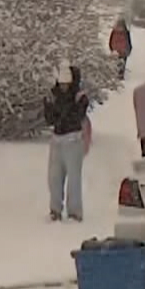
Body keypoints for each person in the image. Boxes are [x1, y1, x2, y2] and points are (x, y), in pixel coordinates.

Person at [42, 62, 91, 222]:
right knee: (54, 178)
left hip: (73, 139)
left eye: (66, 83)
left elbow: (76, 116)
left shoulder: (79, 97)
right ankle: (55, 210)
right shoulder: (53, 96)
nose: (63, 87)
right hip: (57, 140)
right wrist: (48, 105)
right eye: (61, 83)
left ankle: (74, 212)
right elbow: (50, 119)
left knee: (74, 178)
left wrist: (61, 111)